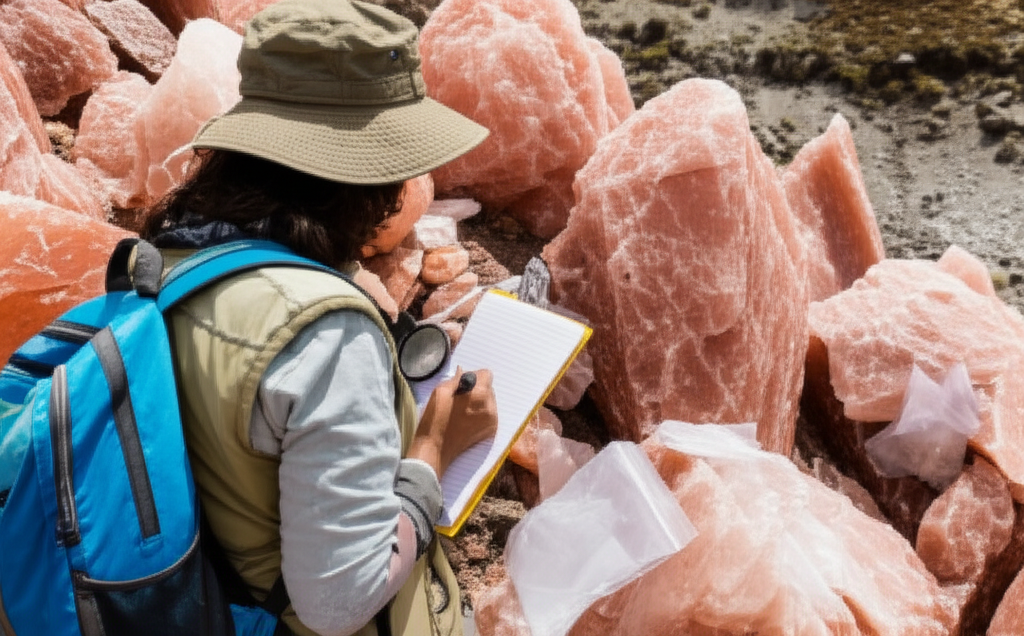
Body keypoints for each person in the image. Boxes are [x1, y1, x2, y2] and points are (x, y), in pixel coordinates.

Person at [140, 1, 499, 635]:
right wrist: (433, 450)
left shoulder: (160, 256)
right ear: (364, 176)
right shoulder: (325, 336)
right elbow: (336, 603)